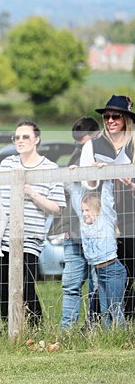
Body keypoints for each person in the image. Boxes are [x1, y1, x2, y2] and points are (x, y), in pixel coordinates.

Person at [0, 120, 65, 327]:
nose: (20, 140)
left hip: (29, 239)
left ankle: (36, 328)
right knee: (4, 287)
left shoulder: (50, 168)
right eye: (16, 137)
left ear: (37, 139)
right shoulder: (7, 163)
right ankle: (9, 330)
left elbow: (57, 208)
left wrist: (32, 193)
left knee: (26, 287)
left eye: (25, 136)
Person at [80, 95, 135, 320]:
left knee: (129, 270)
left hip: (131, 216)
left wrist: (130, 182)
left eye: (116, 116)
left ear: (126, 119)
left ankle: (126, 319)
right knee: (103, 273)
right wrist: (96, 172)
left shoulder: (133, 144)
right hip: (103, 219)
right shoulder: (93, 145)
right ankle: (99, 321)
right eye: (106, 116)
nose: (110, 120)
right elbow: (86, 184)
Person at [55, 117, 100, 330]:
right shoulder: (75, 154)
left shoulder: (103, 155)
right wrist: (65, 226)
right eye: (78, 143)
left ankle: (95, 326)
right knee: (71, 284)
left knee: (96, 284)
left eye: (84, 143)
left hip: (96, 232)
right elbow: (67, 195)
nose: (81, 147)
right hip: (74, 232)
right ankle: (67, 329)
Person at [70, 179, 126, 327]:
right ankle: (108, 336)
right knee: (104, 311)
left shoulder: (105, 218)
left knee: (115, 309)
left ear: (98, 210)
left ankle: (122, 334)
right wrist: (75, 178)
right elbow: (76, 195)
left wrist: (106, 176)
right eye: (83, 211)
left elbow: (107, 197)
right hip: (99, 272)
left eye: (87, 210)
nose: (84, 214)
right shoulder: (84, 224)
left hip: (113, 271)